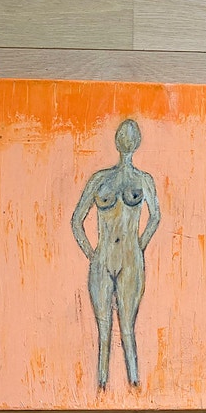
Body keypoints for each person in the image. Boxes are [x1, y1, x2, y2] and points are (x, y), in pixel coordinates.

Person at [71, 119, 161, 389]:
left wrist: (138, 246)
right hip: (103, 258)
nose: (126, 138)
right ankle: (101, 385)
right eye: (123, 134)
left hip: (131, 260)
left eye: (130, 135)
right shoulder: (99, 179)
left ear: (136, 142)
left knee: (128, 329)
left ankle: (134, 383)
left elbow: (155, 217)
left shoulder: (144, 180)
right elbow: (76, 220)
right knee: (103, 330)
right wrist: (93, 255)